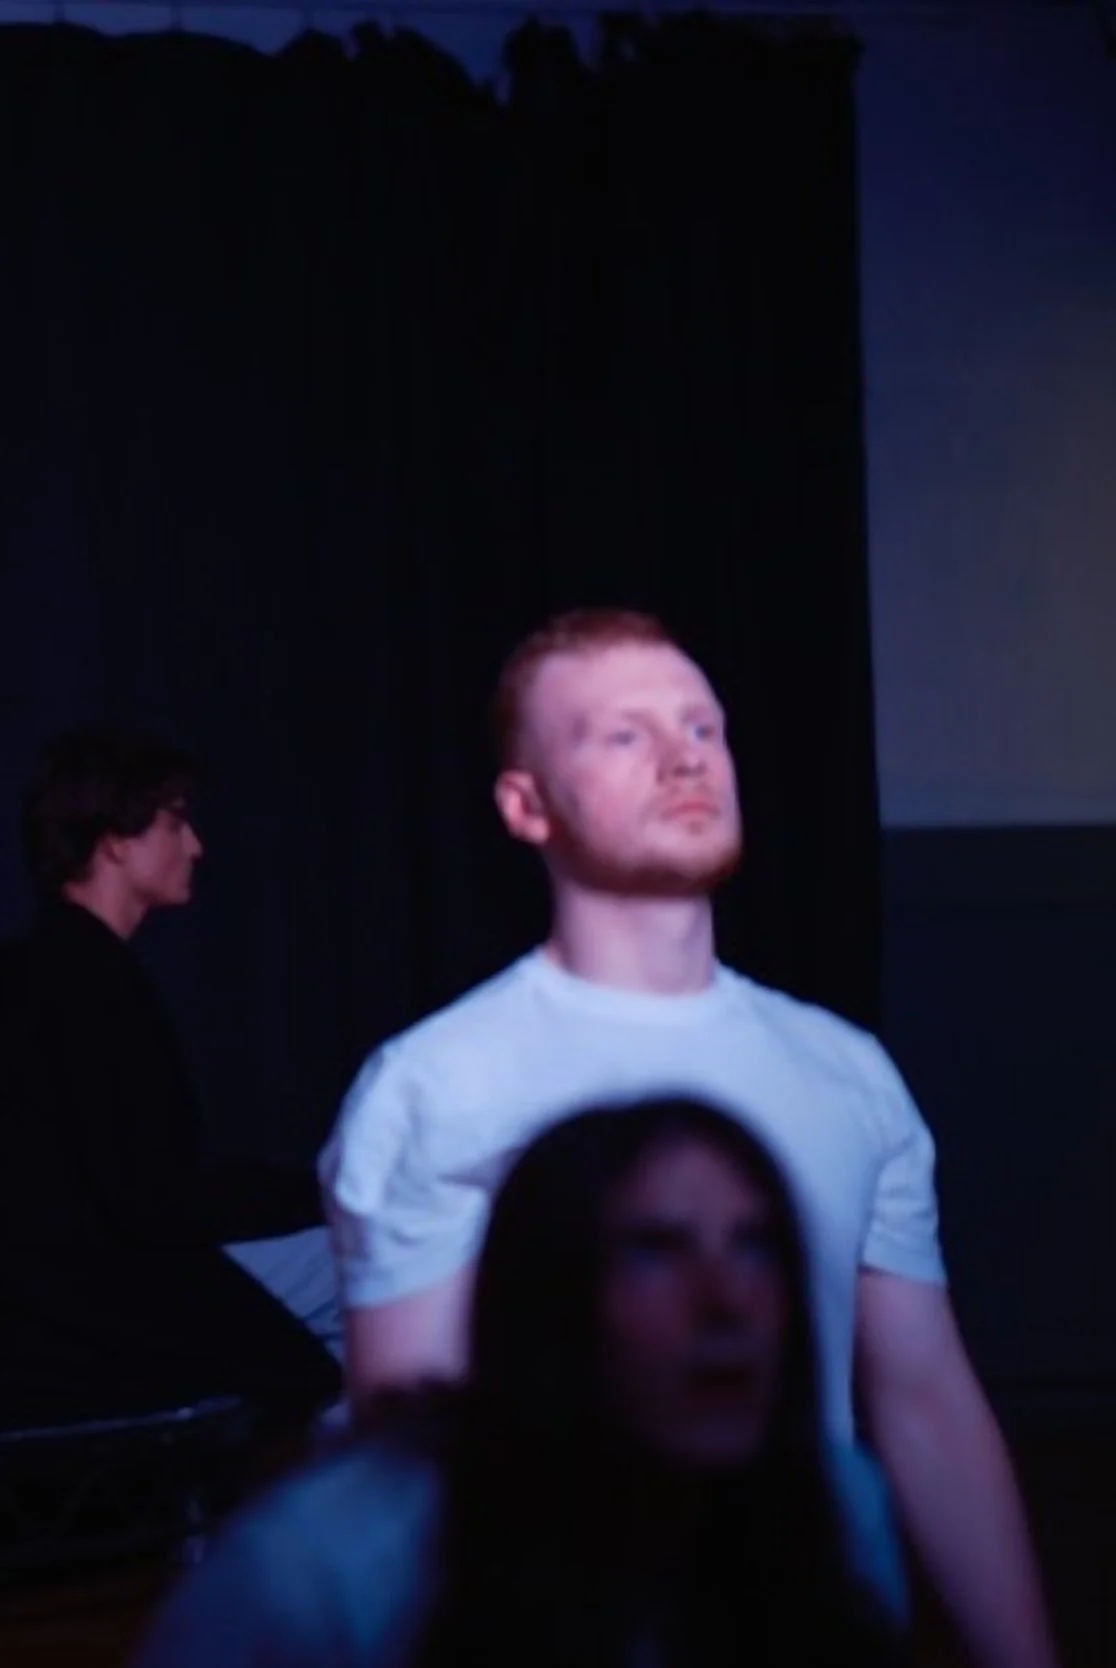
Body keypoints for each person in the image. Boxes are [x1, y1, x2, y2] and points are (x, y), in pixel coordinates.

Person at [317, 607, 1059, 1668]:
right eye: (623, 735)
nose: (683, 759)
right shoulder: (438, 1087)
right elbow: (403, 1470)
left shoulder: (845, 1075)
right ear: (524, 805)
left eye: (702, 728)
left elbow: (925, 1399)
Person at [139, 1099, 915, 1668]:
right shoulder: (324, 1567)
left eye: (755, 1245)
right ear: (551, 1292)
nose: (726, 1297)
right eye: (655, 1249)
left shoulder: (840, 1505)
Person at [0, 727, 340, 1418]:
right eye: (175, 823)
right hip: (102, 1296)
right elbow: (149, 1197)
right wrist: (308, 1196)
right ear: (115, 840)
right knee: (387, 1271)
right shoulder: (78, 979)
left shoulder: (70, 968)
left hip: (96, 1282)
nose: (196, 847)